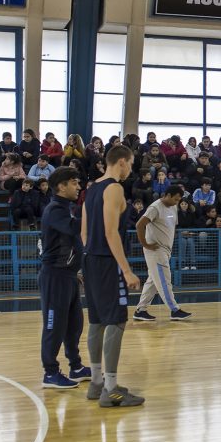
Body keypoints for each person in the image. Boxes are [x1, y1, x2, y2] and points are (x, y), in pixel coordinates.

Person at [80, 144, 144, 408]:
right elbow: (110, 232)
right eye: (130, 163)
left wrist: (87, 263)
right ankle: (111, 389)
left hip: (91, 259)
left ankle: (97, 382)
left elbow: (84, 233)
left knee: (96, 321)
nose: (130, 169)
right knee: (116, 321)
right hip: (108, 263)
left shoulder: (91, 188)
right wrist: (126, 269)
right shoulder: (114, 188)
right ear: (120, 162)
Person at [38, 167, 92, 389]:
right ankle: (50, 373)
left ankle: (76, 367)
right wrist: (94, 209)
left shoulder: (65, 209)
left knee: (74, 325)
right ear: (61, 186)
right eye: (74, 182)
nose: (78, 186)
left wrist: (78, 271)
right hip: (55, 277)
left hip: (69, 276)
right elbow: (74, 228)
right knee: (54, 326)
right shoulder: (55, 210)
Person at [133, 184, 192, 323]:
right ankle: (174, 310)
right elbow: (139, 225)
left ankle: (140, 311)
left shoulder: (173, 207)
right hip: (155, 250)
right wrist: (145, 244)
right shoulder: (155, 207)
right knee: (165, 281)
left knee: (153, 281)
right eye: (176, 199)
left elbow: (170, 226)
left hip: (166, 250)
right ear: (168, 195)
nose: (177, 202)